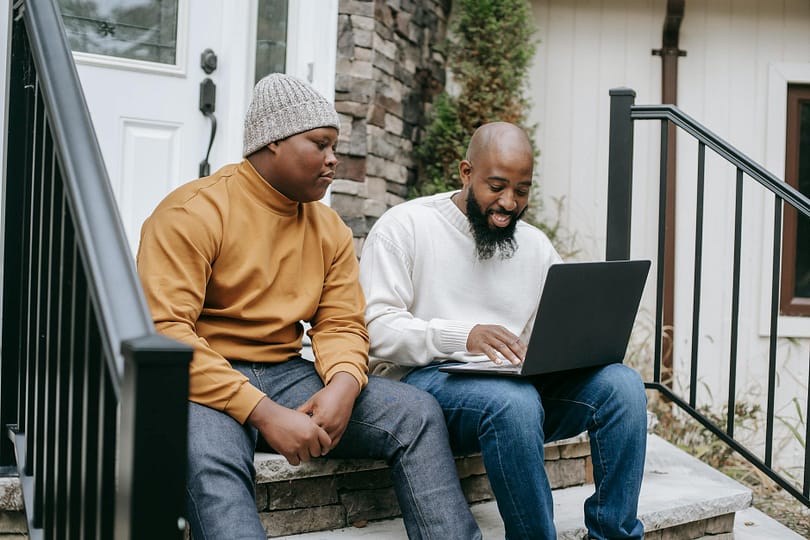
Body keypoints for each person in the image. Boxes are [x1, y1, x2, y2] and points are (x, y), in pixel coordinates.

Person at [137, 73, 482, 540]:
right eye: (320, 144)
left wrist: (343, 383)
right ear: (272, 142)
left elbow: (341, 322)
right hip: (206, 378)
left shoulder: (329, 228)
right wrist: (263, 413)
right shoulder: (192, 213)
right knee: (210, 466)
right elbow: (167, 332)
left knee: (416, 413)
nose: (333, 159)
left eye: (335, 145)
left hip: (285, 371)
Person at [359, 121, 648, 540]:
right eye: (496, 186)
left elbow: (560, 324)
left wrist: (565, 350)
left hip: (509, 384)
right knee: (512, 402)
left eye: (522, 190)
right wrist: (463, 335)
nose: (509, 203)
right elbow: (376, 328)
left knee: (622, 386)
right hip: (424, 382)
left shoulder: (534, 245)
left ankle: (614, 535)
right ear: (465, 172)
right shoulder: (405, 226)